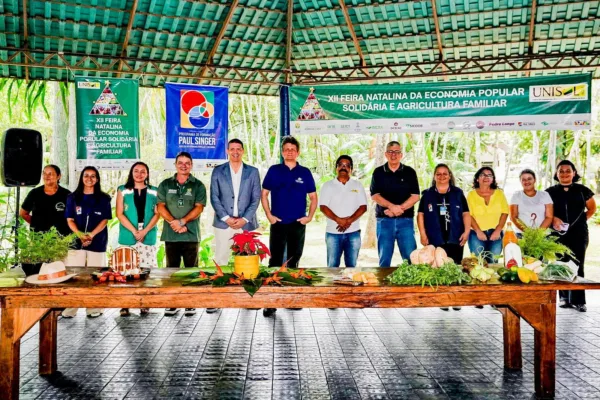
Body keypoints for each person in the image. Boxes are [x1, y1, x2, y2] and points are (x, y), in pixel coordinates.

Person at [261, 136, 317, 317]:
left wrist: (309, 217)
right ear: (282, 152)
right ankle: (270, 302)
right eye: (286, 149)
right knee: (275, 262)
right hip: (278, 223)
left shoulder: (305, 172)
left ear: (298, 152)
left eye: (293, 149)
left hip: (297, 224)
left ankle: (291, 299)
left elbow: (314, 197)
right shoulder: (274, 170)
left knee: (294, 261)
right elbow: (264, 194)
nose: (290, 152)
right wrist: (269, 215)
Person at [157, 152, 209, 316]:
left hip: (190, 235)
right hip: (171, 235)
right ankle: (172, 303)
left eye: (187, 163)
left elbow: (199, 207)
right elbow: (160, 207)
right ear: (175, 164)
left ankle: (190, 303)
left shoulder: (198, 185)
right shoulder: (165, 184)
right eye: (181, 162)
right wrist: (175, 223)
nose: (184, 165)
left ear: (191, 165)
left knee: (191, 270)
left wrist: (183, 222)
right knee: (171, 270)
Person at [417, 164, 470, 312]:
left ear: (450, 175)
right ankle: (443, 299)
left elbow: (466, 213)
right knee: (438, 267)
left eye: (444, 174)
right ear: (434, 176)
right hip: (436, 238)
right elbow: (420, 215)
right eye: (438, 174)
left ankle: (456, 299)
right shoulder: (427, 194)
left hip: (455, 237)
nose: (441, 176)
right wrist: (422, 233)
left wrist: (466, 232)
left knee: (456, 267)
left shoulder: (458, 193)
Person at [546, 160, 596, 312]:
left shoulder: (583, 190)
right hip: (557, 235)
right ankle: (564, 298)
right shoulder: (549, 192)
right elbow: (546, 212)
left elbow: (592, 209)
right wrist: (554, 219)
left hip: (579, 234)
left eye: (568, 171)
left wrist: (579, 222)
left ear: (574, 173)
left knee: (577, 264)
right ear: (556, 174)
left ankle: (579, 301)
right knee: (560, 264)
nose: (565, 173)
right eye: (561, 171)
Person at [62, 166, 112, 319]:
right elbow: (69, 220)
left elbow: (105, 220)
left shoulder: (104, 198)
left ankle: (94, 308)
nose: (89, 179)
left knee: (96, 277)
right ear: (81, 178)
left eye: (93, 176)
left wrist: (91, 235)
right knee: (74, 276)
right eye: (86, 175)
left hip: (97, 242)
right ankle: (71, 308)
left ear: (97, 179)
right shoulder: (72, 197)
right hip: (76, 243)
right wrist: (79, 235)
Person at [116, 162, 160, 317]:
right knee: (126, 270)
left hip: (147, 233)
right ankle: (125, 304)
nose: (139, 174)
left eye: (143, 171)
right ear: (131, 173)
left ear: (147, 174)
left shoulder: (155, 191)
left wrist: (144, 231)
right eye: (136, 171)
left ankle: (145, 303)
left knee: (146, 271)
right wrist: (135, 231)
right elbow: (119, 214)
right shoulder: (122, 190)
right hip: (129, 233)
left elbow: (157, 213)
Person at [210, 139, 261, 266]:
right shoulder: (218, 171)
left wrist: (244, 219)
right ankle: (221, 285)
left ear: (243, 151)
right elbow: (214, 197)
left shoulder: (253, 172)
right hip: (223, 223)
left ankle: (247, 285)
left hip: (246, 224)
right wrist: (227, 218)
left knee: (247, 260)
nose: (235, 152)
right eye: (232, 149)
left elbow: (256, 198)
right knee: (221, 259)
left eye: (238, 149)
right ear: (227, 151)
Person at [370, 141, 420, 267]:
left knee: (411, 259)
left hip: (406, 221)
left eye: (397, 152)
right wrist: (391, 207)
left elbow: (415, 196)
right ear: (386, 154)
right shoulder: (378, 172)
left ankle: (410, 286)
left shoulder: (410, 172)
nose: (394, 155)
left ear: (401, 154)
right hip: (384, 221)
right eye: (391, 152)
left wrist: (398, 209)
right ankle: (383, 286)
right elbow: (375, 195)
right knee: (384, 260)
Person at [319, 155, 368, 267]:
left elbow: (363, 207)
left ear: (351, 169)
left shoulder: (358, 185)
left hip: (353, 233)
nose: (343, 168)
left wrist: (348, 221)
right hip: (333, 233)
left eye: (347, 166)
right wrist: (338, 220)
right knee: (332, 267)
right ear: (336, 168)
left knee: (351, 267)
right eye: (340, 165)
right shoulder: (328, 186)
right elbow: (323, 207)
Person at [467, 167, 509, 263]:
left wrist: (498, 230)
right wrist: (478, 231)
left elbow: (505, 212)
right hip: (476, 234)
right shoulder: (471, 195)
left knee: (493, 261)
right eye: (483, 175)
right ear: (477, 178)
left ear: (493, 179)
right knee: (477, 262)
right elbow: (469, 215)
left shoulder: (499, 194)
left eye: (489, 175)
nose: (486, 177)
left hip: (496, 233)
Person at [20, 164, 71, 237]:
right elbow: (23, 214)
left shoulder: (67, 194)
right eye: (44, 173)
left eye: (50, 174)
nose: (46, 176)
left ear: (58, 176)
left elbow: (73, 217)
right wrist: (37, 224)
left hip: (61, 240)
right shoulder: (34, 193)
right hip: (39, 239)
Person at [509, 169, 553, 236]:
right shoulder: (516, 196)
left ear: (534, 180)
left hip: (542, 235)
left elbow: (549, 217)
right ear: (520, 181)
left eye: (529, 179)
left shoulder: (545, 195)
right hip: (522, 234)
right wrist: (527, 232)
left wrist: (538, 233)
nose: (527, 181)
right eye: (523, 179)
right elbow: (513, 217)